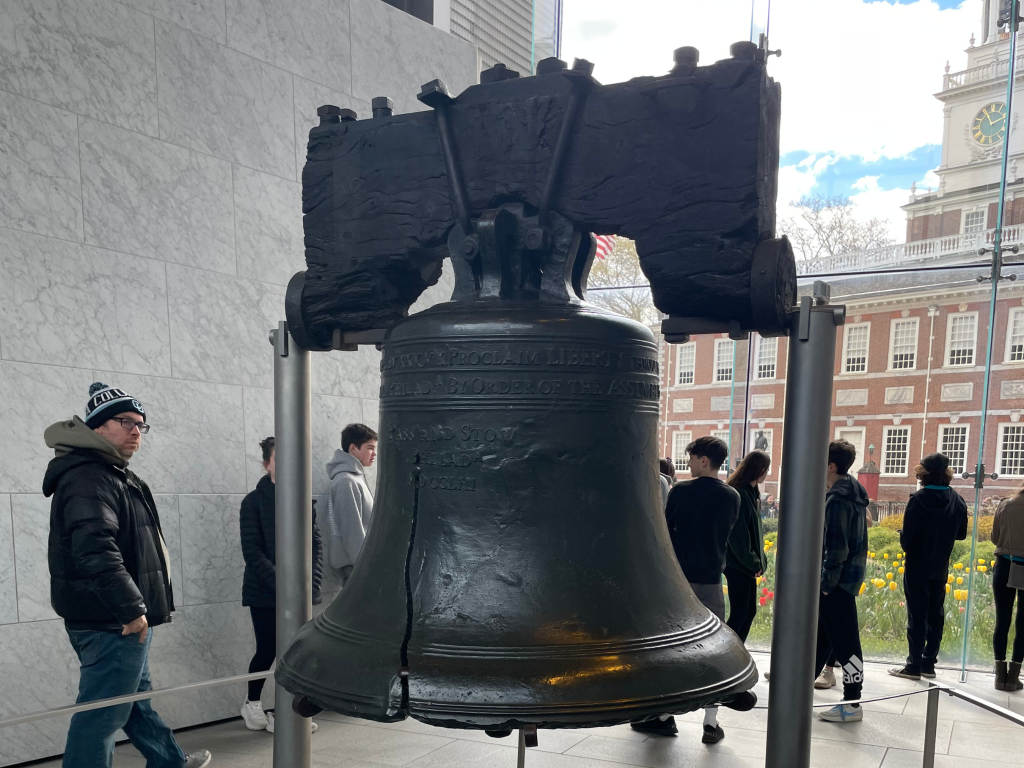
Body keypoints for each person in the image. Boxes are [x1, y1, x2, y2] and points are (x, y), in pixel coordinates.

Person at [43, 383, 211, 768]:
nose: (137, 431)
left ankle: (169, 762)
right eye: (126, 422)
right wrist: (132, 608)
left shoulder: (109, 472)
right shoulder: (90, 476)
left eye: (141, 424)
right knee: (101, 716)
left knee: (133, 700)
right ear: (97, 427)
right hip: (113, 620)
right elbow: (95, 549)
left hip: (118, 617)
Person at [632, 436, 740, 744]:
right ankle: (710, 723)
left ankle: (665, 716)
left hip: (679, 582)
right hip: (712, 582)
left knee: (672, 650)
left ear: (704, 460)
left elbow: (665, 533)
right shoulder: (732, 496)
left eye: (691, 458)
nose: (688, 463)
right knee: (714, 652)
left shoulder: (680, 491)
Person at [240, 437, 324, 732]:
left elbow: (315, 545)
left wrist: (311, 584)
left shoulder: (303, 500)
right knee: (267, 650)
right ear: (268, 464)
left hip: (299, 592)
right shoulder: (252, 502)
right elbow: (252, 552)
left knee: (294, 653)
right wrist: (285, 587)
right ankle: (251, 702)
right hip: (264, 592)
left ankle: (286, 710)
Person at [889, 453, 967, 681]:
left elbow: (908, 541)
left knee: (917, 615)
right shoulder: (957, 500)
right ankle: (929, 664)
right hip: (940, 566)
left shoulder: (918, 500)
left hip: (917, 566)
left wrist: (903, 535)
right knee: (936, 614)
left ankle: (913, 666)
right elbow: (961, 534)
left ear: (922, 474)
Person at [814, 439, 869, 723]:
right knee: (823, 638)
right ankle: (799, 689)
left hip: (836, 584)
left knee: (845, 643)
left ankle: (852, 702)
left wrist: (826, 584)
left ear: (832, 466)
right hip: (847, 580)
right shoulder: (853, 491)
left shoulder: (836, 500)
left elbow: (836, 548)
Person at [725, 451, 770, 642]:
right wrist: (754, 562)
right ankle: (729, 651)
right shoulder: (742, 494)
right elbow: (739, 536)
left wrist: (758, 561)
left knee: (748, 612)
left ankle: (737, 650)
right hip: (738, 565)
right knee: (740, 613)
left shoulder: (751, 493)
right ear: (760, 470)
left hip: (745, 565)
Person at [326, 423, 378, 584]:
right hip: (358, 568)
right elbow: (351, 529)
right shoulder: (346, 481)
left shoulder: (355, 478)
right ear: (353, 448)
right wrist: (366, 567)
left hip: (361, 565)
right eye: (370, 448)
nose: (374, 453)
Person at [992, 484, 1024, 691]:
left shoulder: (1006, 505)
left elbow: (995, 538)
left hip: (1005, 564)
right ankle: (1013, 677)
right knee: (1023, 623)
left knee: (1002, 620)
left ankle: (999, 675)